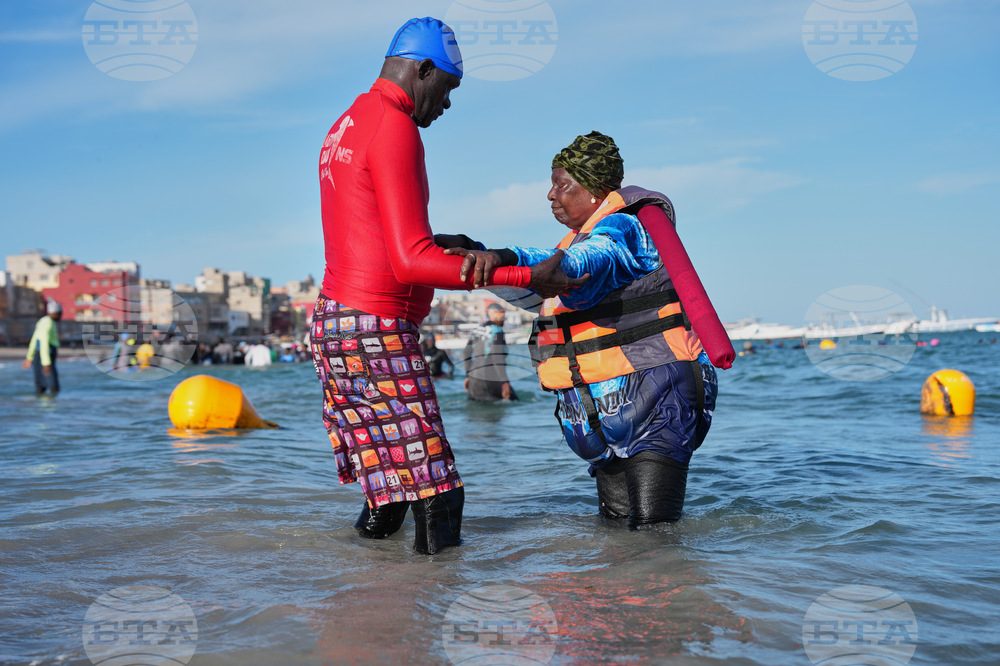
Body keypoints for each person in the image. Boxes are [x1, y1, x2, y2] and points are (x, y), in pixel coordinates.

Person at [310, 17, 584, 554]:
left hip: (337, 323)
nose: (448, 104)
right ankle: (427, 621)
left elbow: (370, 234)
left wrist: (443, 241)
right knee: (439, 493)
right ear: (424, 70)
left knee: (388, 495)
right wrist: (530, 276)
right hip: (375, 329)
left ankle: (357, 599)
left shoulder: (347, 122)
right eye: (448, 89)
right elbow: (410, 263)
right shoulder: (393, 124)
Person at [445, 131, 736, 529]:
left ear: (595, 190)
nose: (550, 195)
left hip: (656, 399)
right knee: (615, 537)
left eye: (561, 184)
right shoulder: (570, 243)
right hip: (597, 409)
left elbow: (590, 259)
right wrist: (477, 255)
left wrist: (532, 262)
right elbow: (541, 281)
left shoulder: (627, 230)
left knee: (654, 538)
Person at [463, 303, 517, 401]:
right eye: (502, 315)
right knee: (513, 401)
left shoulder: (476, 330)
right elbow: (497, 358)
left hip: (474, 379)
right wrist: (504, 382)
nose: (504, 319)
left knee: (475, 414)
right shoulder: (497, 331)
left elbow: (466, 353)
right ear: (496, 315)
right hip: (491, 378)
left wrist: (468, 376)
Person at [22, 300, 62, 395]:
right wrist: (46, 363)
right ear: (55, 313)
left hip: (39, 354)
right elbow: (44, 343)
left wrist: (29, 357)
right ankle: (52, 406)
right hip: (45, 355)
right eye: (60, 314)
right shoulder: (48, 323)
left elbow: (34, 339)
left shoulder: (43, 321)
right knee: (53, 386)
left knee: (41, 386)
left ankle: (40, 405)